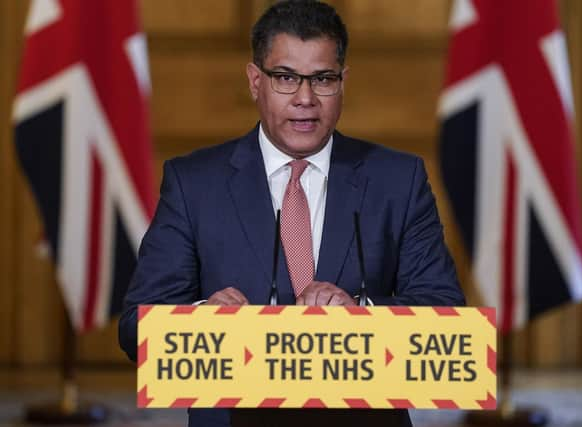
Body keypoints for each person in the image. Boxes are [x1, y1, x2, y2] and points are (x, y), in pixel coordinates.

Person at [119, 1, 465, 426]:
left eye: (322, 79)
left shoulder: (398, 180)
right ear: (254, 81)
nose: (305, 98)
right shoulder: (194, 184)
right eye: (285, 78)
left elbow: (445, 318)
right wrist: (200, 320)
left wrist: (364, 313)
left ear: (343, 83)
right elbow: (135, 327)